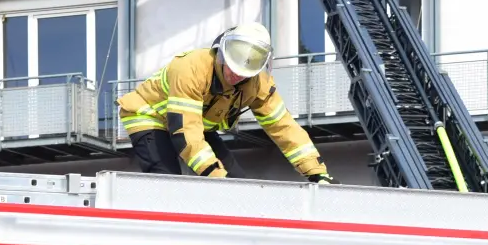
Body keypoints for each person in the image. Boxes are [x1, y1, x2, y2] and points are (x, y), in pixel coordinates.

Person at [117, 23, 332, 182]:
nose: (235, 76)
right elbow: (185, 134)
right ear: (221, 55)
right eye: (232, 68)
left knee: (236, 182)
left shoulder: (259, 84)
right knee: (168, 182)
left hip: (194, 124)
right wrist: (214, 174)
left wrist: (316, 172)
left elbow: (284, 128)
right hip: (149, 115)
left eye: (243, 74)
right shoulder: (191, 68)